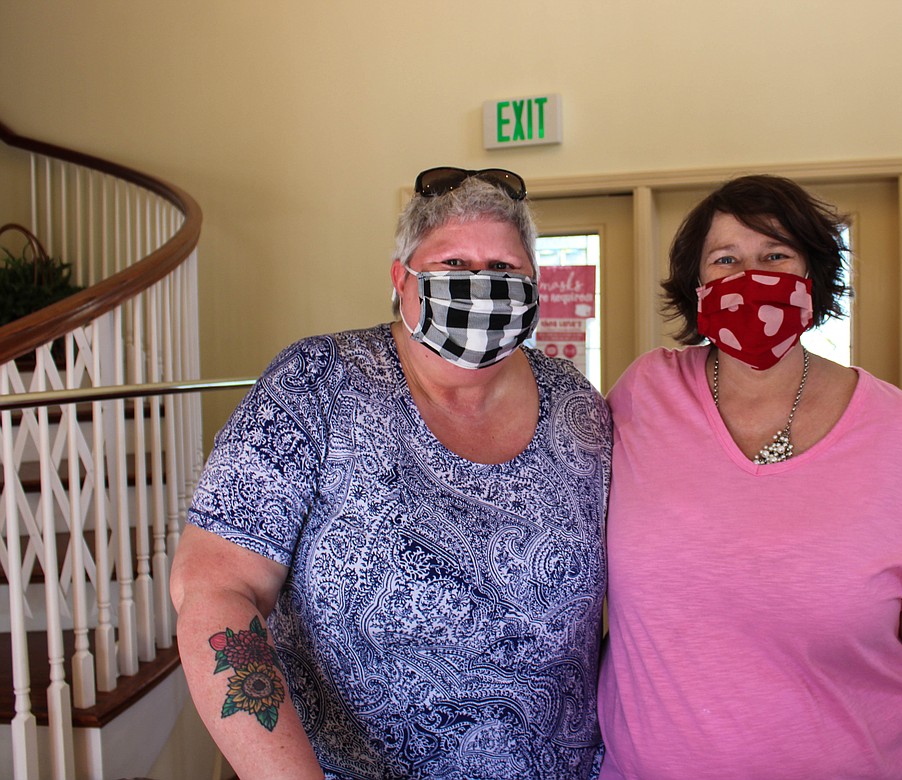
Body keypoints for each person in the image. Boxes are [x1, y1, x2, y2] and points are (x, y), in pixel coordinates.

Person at [171, 167, 611, 780]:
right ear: (402, 279)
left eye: (505, 270)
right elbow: (216, 589)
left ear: (533, 287)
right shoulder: (315, 384)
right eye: (454, 264)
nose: (481, 286)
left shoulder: (580, 410)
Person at [597, 175, 902, 779]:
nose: (750, 277)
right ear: (697, 285)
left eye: (776, 256)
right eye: (726, 259)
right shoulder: (644, 395)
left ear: (813, 278)